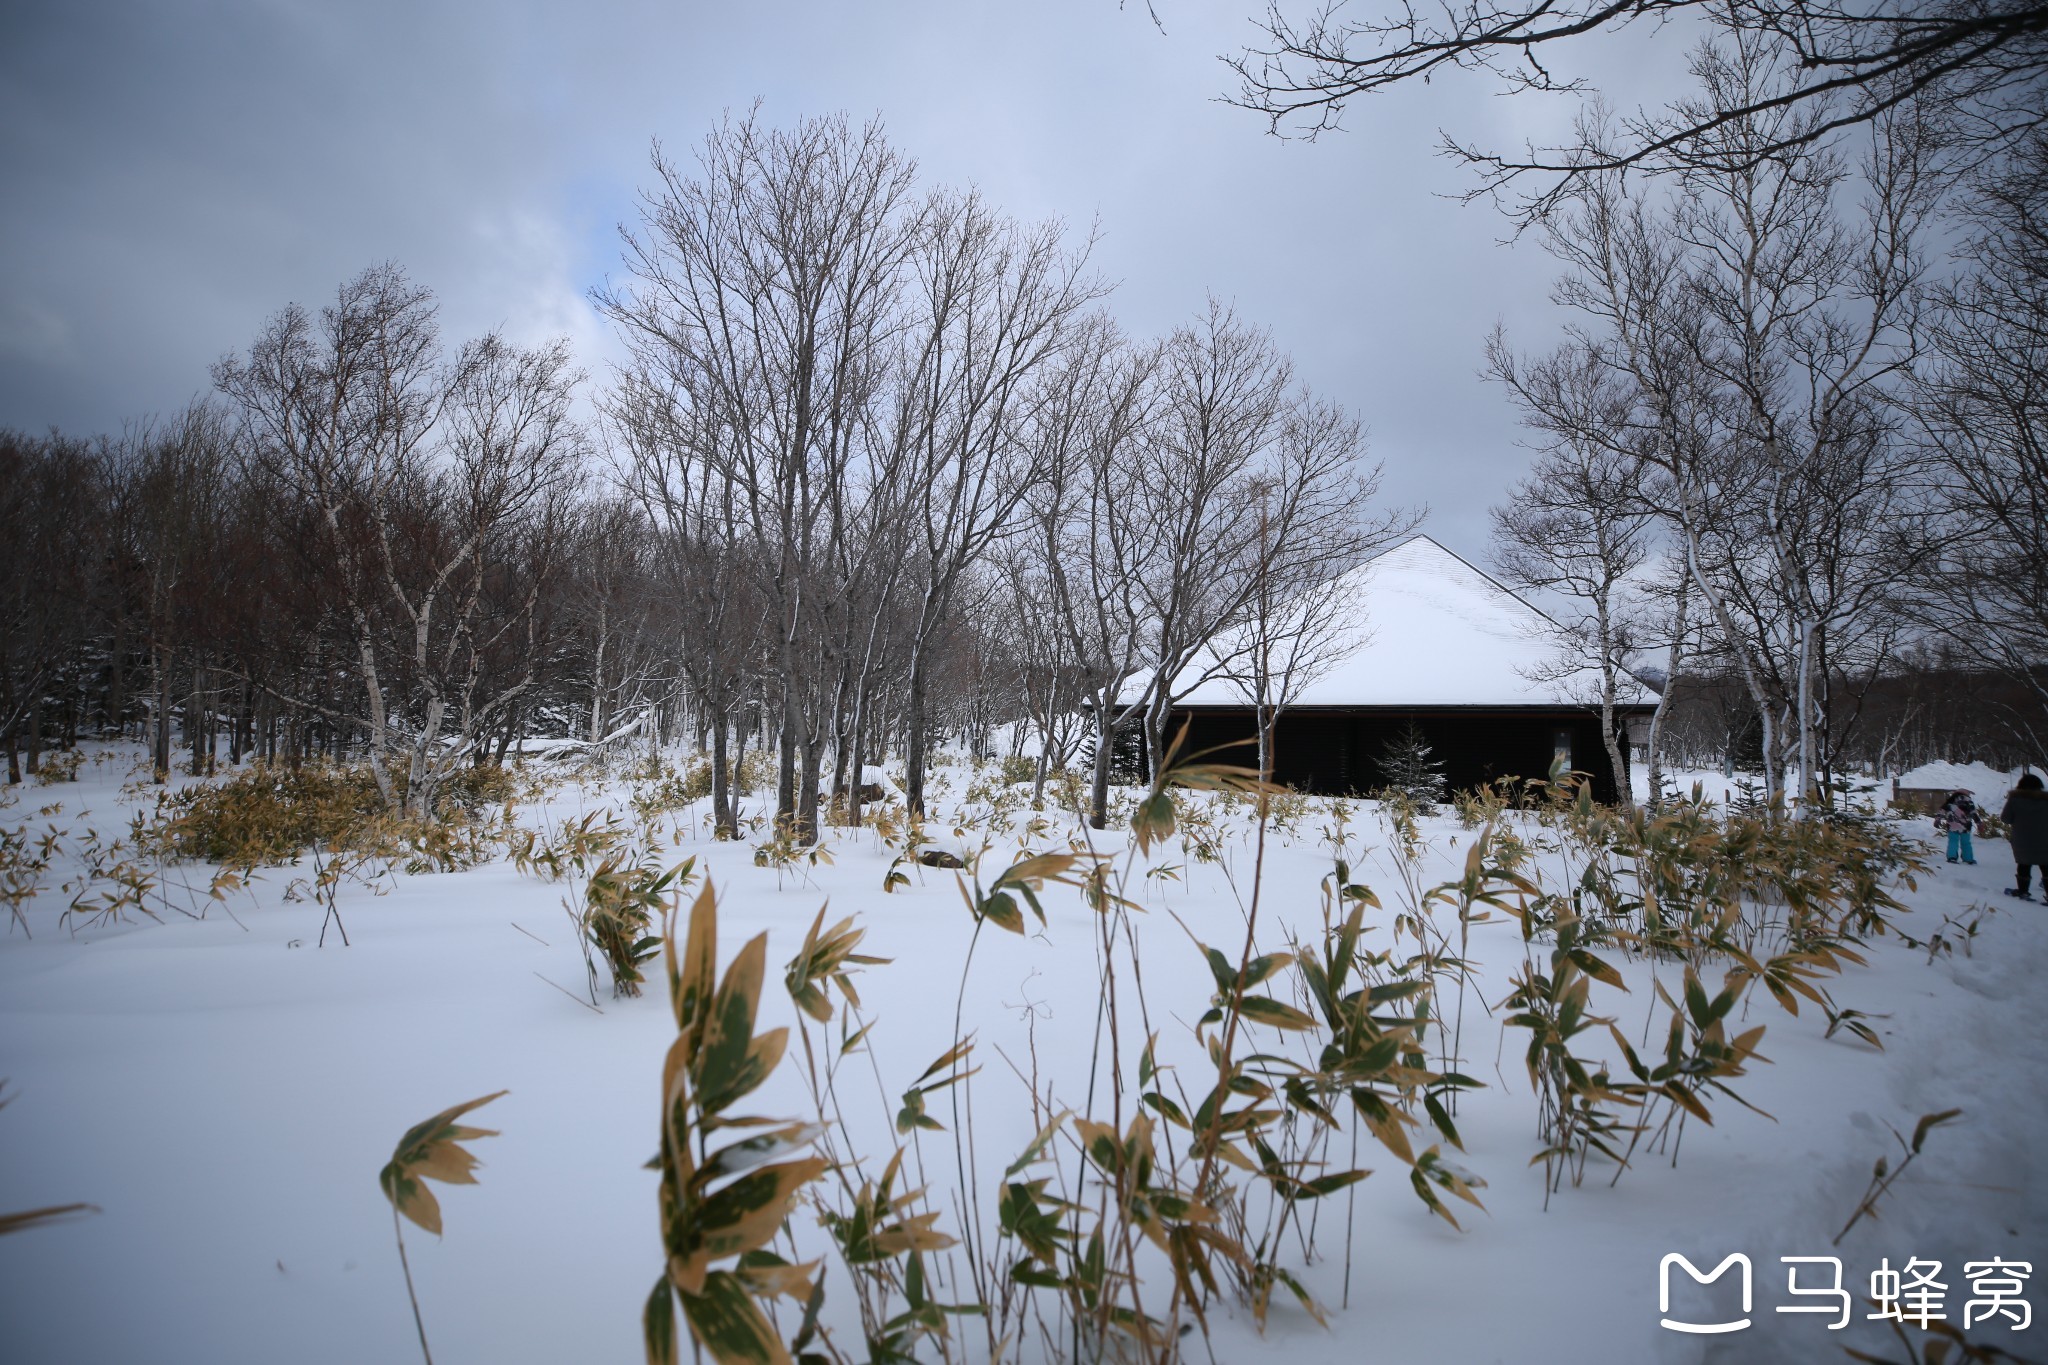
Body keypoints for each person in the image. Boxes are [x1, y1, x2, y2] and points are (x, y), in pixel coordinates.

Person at [2001, 772, 2048, 901]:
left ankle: (2023, 891)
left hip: (2023, 841)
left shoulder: (2015, 800)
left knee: (2024, 866)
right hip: (2045, 840)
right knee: (2045, 866)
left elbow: (2005, 818)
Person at [1935, 789, 1982, 865]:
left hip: (1952, 826)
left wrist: (1937, 819)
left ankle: (1952, 858)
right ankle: (1968, 859)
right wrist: (1979, 823)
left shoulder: (1950, 802)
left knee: (1953, 841)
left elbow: (1941, 811)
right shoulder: (1969, 802)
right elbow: (1974, 813)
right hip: (1966, 827)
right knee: (1966, 843)